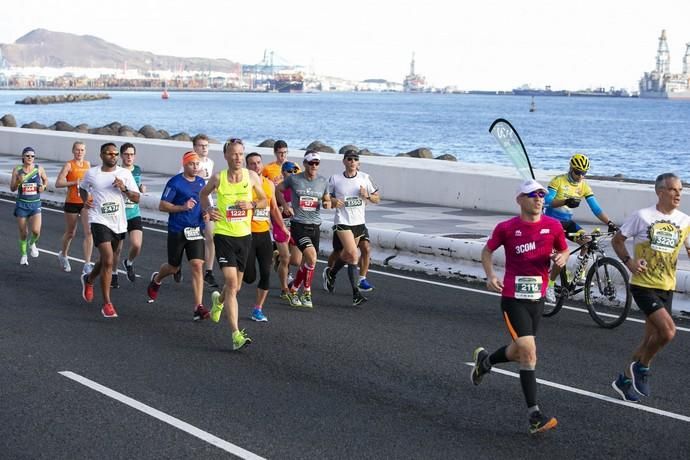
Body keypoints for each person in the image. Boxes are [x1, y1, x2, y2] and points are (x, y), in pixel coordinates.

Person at [472, 179, 568, 435]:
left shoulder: (554, 226)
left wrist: (561, 260)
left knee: (519, 351)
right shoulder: (507, 228)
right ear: (520, 200)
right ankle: (534, 415)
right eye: (532, 195)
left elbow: (564, 251)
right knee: (529, 351)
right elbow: (486, 251)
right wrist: (491, 275)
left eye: (541, 195)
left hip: (538, 298)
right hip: (513, 297)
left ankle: (485, 361)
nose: (538, 199)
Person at [610, 172, 690, 402]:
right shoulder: (642, 216)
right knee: (668, 332)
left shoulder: (684, 221)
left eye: (680, 190)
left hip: (667, 286)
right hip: (643, 285)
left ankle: (623, 381)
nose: (677, 194)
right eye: (673, 189)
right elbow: (618, 240)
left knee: (649, 341)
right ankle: (641, 369)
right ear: (660, 191)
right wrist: (629, 262)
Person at [201, 138, 267, 351]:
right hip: (224, 235)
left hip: (244, 236)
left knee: (235, 288)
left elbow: (265, 200)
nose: (238, 157)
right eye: (234, 154)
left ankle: (218, 301)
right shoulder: (218, 178)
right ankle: (236, 334)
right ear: (226, 156)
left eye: (241, 153)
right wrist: (209, 210)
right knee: (231, 282)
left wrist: (252, 204)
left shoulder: (252, 176)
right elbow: (203, 194)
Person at [544, 153, 617, 301]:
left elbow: (595, 208)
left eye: (584, 173)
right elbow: (547, 201)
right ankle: (549, 285)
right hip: (551, 224)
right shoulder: (558, 181)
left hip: (567, 223)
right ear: (571, 168)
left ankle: (576, 275)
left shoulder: (583, 185)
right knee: (559, 258)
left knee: (587, 242)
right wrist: (565, 201)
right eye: (577, 172)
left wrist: (609, 223)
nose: (580, 176)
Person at [147, 151, 210, 321]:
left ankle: (198, 306)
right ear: (184, 164)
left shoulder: (201, 182)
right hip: (177, 229)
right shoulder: (175, 182)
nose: (195, 167)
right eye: (192, 164)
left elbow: (203, 202)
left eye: (197, 164)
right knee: (173, 267)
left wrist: (205, 213)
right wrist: (182, 207)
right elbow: (162, 206)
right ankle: (157, 278)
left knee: (197, 265)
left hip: (196, 229)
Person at [79, 142, 140, 318]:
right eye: (109, 153)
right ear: (101, 155)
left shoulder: (125, 174)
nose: (112, 156)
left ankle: (89, 279)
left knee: (107, 259)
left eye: (115, 154)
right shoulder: (92, 173)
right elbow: (82, 188)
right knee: (108, 259)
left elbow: (136, 198)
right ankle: (107, 303)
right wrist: (86, 200)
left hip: (118, 222)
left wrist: (124, 188)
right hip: (98, 219)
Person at [322, 149, 380, 306]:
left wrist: (366, 196)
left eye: (355, 159)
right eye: (349, 159)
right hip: (342, 222)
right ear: (344, 161)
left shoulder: (365, 178)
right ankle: (356, 294)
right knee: (354, 255)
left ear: (358, 162)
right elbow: (326, 199)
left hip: (358, 223)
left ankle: (331, 274)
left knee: (348, 256)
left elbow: (377, 198)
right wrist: (333, 201)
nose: (352, 161)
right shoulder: (335, 179)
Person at [276, 150, 332, 308]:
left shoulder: (323, 181)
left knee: (307, 262)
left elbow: (327, 198)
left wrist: (328, 203)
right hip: (298, 224)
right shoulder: (294, 179)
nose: (314, 166)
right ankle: (307, 292)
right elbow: (278, 190)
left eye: (317, 163)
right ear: (305, 164)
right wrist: (286, 206)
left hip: (315, 226)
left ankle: (294, 290)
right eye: (311, 163)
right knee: (312, 257)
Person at [244, 152, 289, 322]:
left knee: (266, 273)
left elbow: (274, 209)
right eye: (252, 164)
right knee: (249, 277)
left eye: (258, 163)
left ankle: (258, 309)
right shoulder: (243, 185)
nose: (256, 166)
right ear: (246, 167)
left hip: (263, 235)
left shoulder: (269, 184)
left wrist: (282, 227)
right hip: (246, 234)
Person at [183, 134, 219, 289]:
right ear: (194, 147)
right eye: (201, 145)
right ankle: (175, 265)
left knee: (211, 236)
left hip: (206, 204)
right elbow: (182, 182)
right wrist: (196, 174)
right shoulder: (188, 162)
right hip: (191, 205)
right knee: (187, 238)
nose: (204, 148)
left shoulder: (210, 163)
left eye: (206, 145)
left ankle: (209, 272)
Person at [55, 141, 94, 274]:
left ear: (85, 151)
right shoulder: (69, 165)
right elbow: (58, 183)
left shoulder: (88, 165)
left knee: (89, 232)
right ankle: (63, 255)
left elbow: (92, 182)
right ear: (73, 151)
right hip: (71, 202)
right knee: (71, 232)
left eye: (82, 150)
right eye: (77, 150)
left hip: (85, 202)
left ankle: (87, 264)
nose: (79, 152)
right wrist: (74, 182)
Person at [112, 142, 146, 287]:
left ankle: (129, 262)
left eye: (132, 154)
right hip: (120, 214)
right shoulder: (116, 171)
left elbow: (136, 187)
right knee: (117, 249)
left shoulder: (137, 170)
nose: (129, 157)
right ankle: (114, 274)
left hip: (133, 212)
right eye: (126, 154)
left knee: (137, 245)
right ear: (121, 156)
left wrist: (141, 188)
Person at [10, 146, 48, 266]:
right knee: (23, 233)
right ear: (23, 157)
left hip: (35, 204)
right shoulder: (17, 170)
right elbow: (12, 188)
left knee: (36, 231)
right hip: (22, 205)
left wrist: (44, 187)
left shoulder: (39, 169)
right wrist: (18, 181)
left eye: (32, 156)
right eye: (27, 155)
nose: (30, 158)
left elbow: (45, 181)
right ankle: (24, 254)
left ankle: (32, 243)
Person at [275, 161, 303, 301]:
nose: (292, 174)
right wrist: (279, 210)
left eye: (294, 172)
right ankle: (284, 288)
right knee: (286, 258)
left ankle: (277, 258)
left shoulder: (299, 189)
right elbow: (270, 208)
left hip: (295, 226)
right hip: (280, 225)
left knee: (296, 261)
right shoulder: (278, 188)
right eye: (289, 171)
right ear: (283, 173)